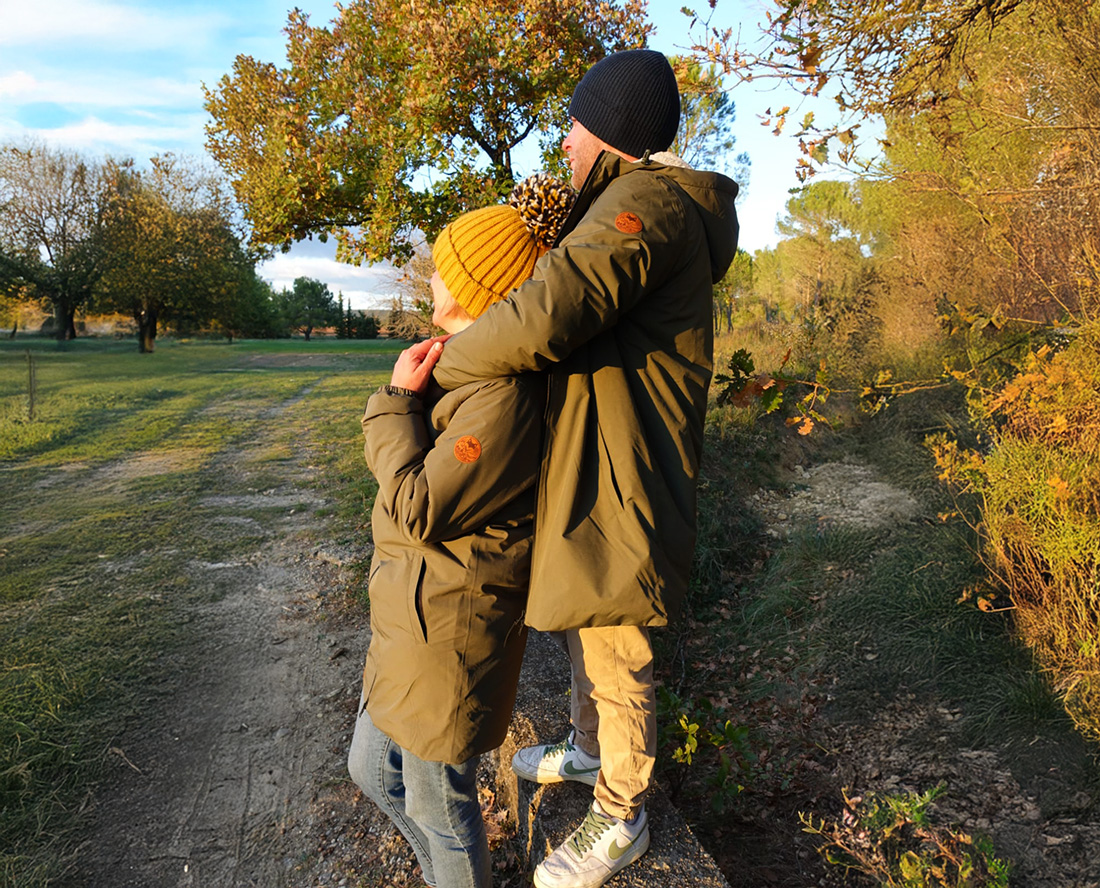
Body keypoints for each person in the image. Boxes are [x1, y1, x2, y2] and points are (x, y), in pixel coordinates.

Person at [406, 49, 741, 888]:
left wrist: (446, 364)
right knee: (588, 616)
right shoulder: (634, 203)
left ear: (611, 134)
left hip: (628, 462)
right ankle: (591, 751)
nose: (563, 141)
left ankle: (621, 816)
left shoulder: (645, 206)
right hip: (605, 450)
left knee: (616, 638)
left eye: (573, 125)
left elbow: (546, 312)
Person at [346, 173, 576, 888]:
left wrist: (392, 404)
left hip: (448, 635)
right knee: (369, 769)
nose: (432, 274)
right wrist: (411, 400)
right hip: (410, 618)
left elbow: (417, 505)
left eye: (446, 266)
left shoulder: (503, 394)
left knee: (440, 810)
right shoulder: (467, 368)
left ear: (479, 289)